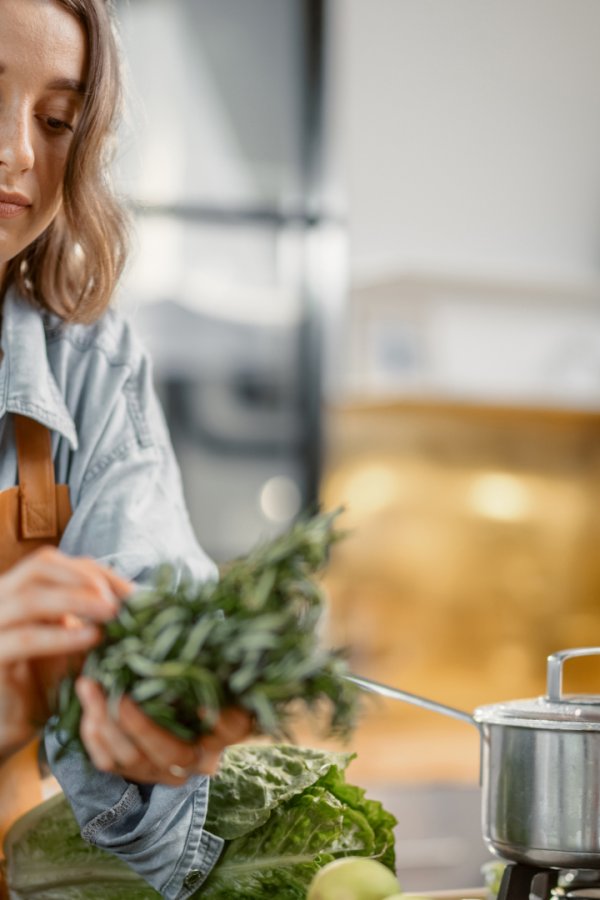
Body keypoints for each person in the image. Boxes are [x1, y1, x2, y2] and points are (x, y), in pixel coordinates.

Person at [0, 0, 251, 896]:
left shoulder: (88, 363)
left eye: (57, 120)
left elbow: (157, 598)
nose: (20, 152)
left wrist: (161, 730)